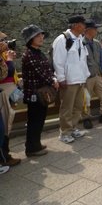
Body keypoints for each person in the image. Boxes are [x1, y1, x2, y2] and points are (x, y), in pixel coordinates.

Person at [21, 25, 59, 157]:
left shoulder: (38, 52)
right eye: (37, 35)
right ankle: (32, 148)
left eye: (41, 35)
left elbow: (47, 69)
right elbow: (40, 72)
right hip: (34, 94)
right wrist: (53, 80)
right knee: (34, 120)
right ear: (30, 39)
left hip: (41, 93)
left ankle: (35, 144)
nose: (41, 37)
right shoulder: (29, 54)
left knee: (40, 119)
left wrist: (52, 77)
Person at [52, 15, 90, 144]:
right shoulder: (62, 39)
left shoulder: (80, 39)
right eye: (83, 24)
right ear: (75, 25)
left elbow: (83, 60)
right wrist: (61, 78)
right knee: (67, 107)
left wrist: (85, 76)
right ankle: (65, 132)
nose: (85, 26)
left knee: (78, 106)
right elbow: (58, 61)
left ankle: (72, 127)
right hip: (69, 80)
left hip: (79, 79)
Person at [81, 19, 102, 129]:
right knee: (86, 98)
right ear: (88, 30)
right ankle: (86, 118)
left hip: (97, 74)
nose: (96, 31)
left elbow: (101, 60)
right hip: (86, 75)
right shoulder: (80, 43)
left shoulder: (96, 43)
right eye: (95, 29)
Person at [0, 34, 21, 166]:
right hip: (3, 91)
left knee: (7, 122)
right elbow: (6, 73)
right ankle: (4, 157)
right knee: (5, 123)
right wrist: (9, 59)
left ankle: (5, 155)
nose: (5, 42)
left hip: (8, 90)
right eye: (2, 40)